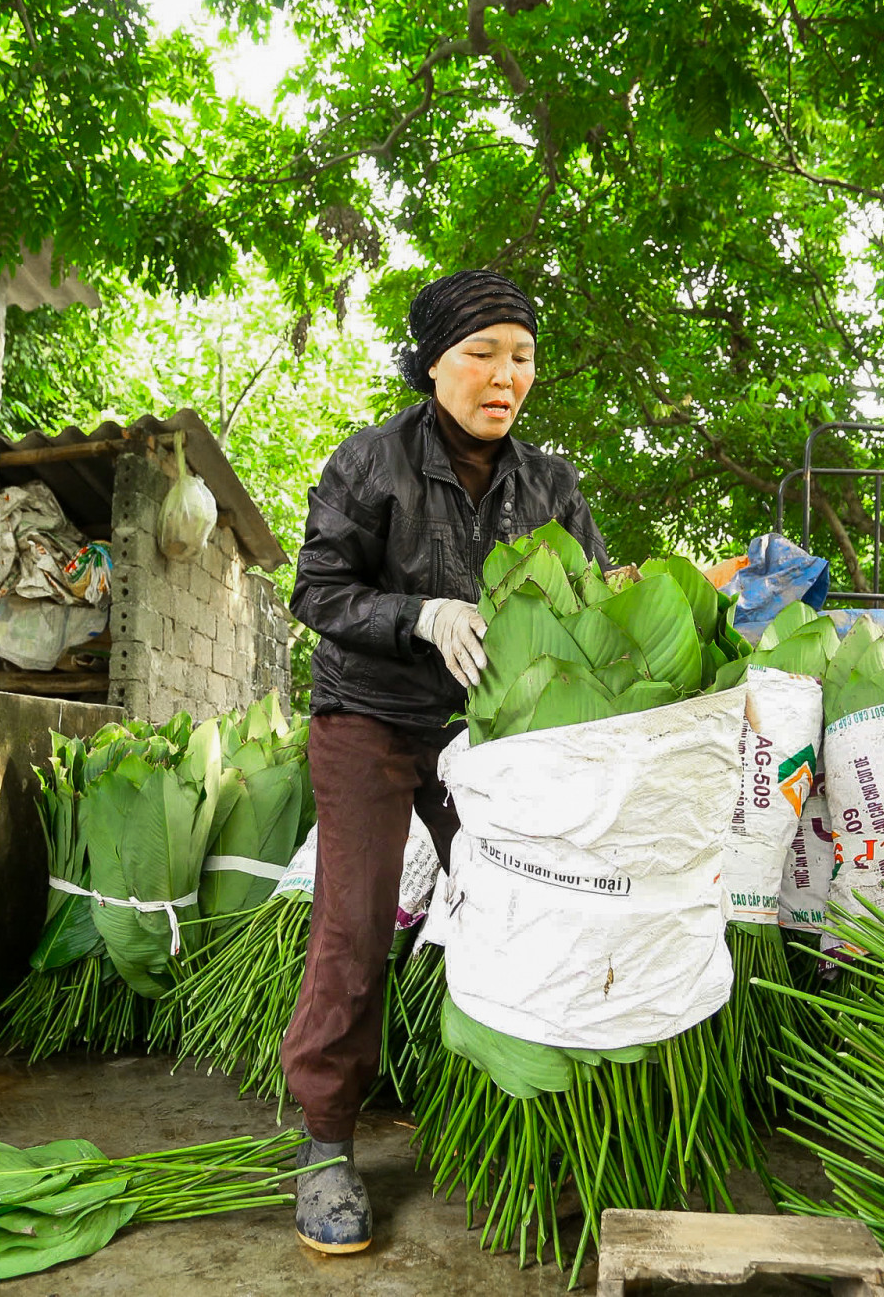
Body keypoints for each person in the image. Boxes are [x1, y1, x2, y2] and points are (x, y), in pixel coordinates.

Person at [281, 270, 609, 1253]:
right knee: (353, 928)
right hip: (370, 720)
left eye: (521, 357)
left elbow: (589, 602)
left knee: (524, 910)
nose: (504, 375)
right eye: (481, 354)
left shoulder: (550, 484)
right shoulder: (370, 462)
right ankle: (324, 1146)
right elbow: (317, 590)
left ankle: (509, 1122)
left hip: (487, 735)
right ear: (431, 363)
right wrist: (417, 613)